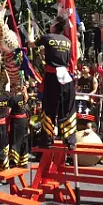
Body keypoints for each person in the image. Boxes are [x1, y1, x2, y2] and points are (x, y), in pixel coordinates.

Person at [28, 16, 77, 149]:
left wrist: (31, 29)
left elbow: (31, 43)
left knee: (49, 108)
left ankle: (47, 140)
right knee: (68, 108)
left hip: (52, 75)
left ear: (55, 26)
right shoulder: (67, 40)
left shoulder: (47, 37)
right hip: (66, 77)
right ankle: (70, 141)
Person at [7, 89, 29, 168]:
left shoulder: (13, 99)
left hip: (16, 121)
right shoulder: (24, 97)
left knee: (15, 140)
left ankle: (13, 160)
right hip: (24, 120)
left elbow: (7, 112)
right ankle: (23, 161)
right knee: (24, 139)